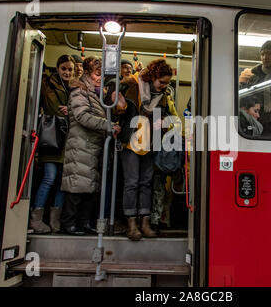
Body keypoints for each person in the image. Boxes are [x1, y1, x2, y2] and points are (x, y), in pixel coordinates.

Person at [60, 57, 126, 235]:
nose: (100, 78)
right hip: (81, 143)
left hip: (93, 144)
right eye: (97, 74)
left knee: (90, 187)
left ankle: (84, 222)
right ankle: (68, 223)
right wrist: (107, 125)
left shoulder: (96, 93)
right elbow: (82, 116)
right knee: (77, 186)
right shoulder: (79, 91)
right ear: (88, 74)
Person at [115, 58, 178, 240]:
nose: (164, 86)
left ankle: (145, 223)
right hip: (131, 142)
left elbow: (167, 117)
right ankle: (131, 224)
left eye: (167, 83)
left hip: (150, 143)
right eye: (162, 82)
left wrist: (164, 122)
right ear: (152, 77)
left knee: (146, 183)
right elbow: (116, 111)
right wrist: (120, 108)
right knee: (131, 183)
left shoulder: (163, 95)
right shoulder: (132, 86)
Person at [29, 55, 75, 234]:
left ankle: (55, 220)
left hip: (67, 139)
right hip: (52, 137)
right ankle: (37, 218)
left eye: (70, 69)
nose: (67, 72)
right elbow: (50, 107)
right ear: (57, 68)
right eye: (64, 68)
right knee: (49, 178)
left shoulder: (75, 87)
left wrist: (69, 110)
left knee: (62, 182)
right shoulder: (47, 85)